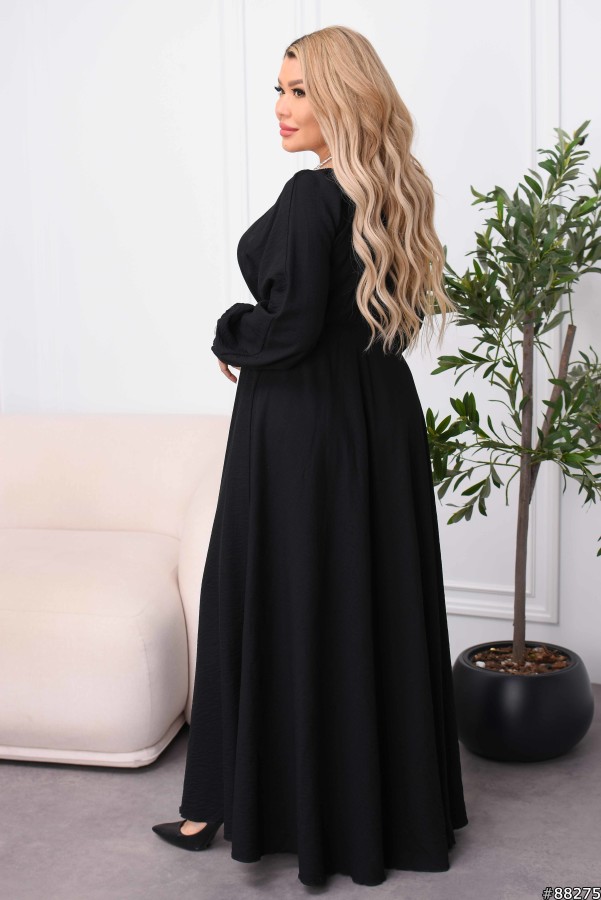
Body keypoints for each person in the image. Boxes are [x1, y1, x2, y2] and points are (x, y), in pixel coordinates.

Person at [152, 24, 468, 888]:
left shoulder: (310, 195)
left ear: (343, 99)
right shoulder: (394, 190)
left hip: (299, 428)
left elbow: (287, 328)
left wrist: (230, 330)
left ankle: (220, 804)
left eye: (300, 91)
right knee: (364, 596)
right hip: (378, 420)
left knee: (271, 595)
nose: (282, 108)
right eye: (279, 90)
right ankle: (383, 812)